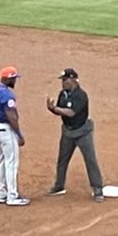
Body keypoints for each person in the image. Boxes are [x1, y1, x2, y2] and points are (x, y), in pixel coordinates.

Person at [46, 68, 104, 202]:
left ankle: (97, 188)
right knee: (62, 160)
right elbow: (61, 112)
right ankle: (59, 185)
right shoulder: (63, 94)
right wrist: (52, 110)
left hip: (83, 131)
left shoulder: (81, 95)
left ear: (73, 80)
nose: (63, 83)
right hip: (67, 131)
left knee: (90, 160)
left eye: (65, 80)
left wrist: (55, 109)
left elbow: (71, 112)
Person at [0, 66, 30, 206]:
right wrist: (19, 134)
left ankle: (1, 194)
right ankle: (12, 196)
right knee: (11, 163)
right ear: (7, 79)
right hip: (6, 131)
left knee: (2, 162)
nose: (15, 81)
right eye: (13, 78)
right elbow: (12, 117)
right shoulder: (7, 95)